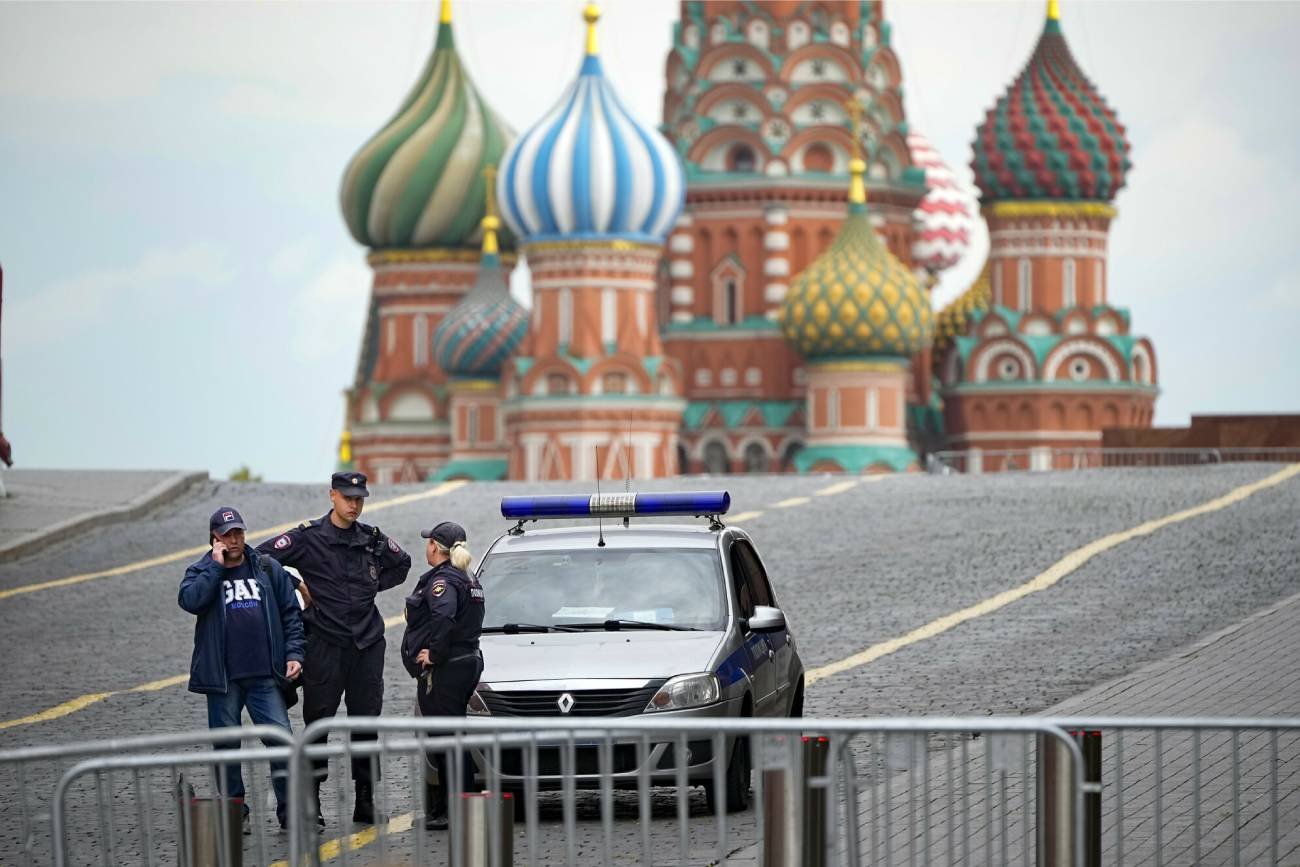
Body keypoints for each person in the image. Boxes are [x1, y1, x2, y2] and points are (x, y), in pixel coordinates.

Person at [256, 471, 412, 825]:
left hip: (366, 643)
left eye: (359, 499)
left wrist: (372, 584)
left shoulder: (371, 538)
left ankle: (365, 800)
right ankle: (313, 804)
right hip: (324, 642)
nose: (354, 504)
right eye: (347, 498)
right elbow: (261, 559)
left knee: (366, 722)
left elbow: (401, 564)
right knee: (318, 723)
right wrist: (298, 586)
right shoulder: (308, 538)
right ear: (332, 497)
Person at [178, 506, 305, 832]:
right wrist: (215, 568)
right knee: (226, 749)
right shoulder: (200, 571)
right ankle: (236, 811)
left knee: (281, 742)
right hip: (222, 679)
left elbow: (291, 613)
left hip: (264, 675)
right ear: (214, 538)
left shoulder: (266, 567)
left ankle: (290, 813)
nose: (234, 539)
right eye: (227, 534)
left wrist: (294, 654)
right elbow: (190, 601)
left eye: (238, 533)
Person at [400, 521, 485, 830]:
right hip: (467, 661)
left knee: (446, 739)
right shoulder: (468, 577)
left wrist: (433, 654)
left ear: (435, 547)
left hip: (447, 670)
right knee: (454, 736)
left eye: (429, 543)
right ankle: (455, 808)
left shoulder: (444, 581)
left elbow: (444, 616)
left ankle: (452, 810)